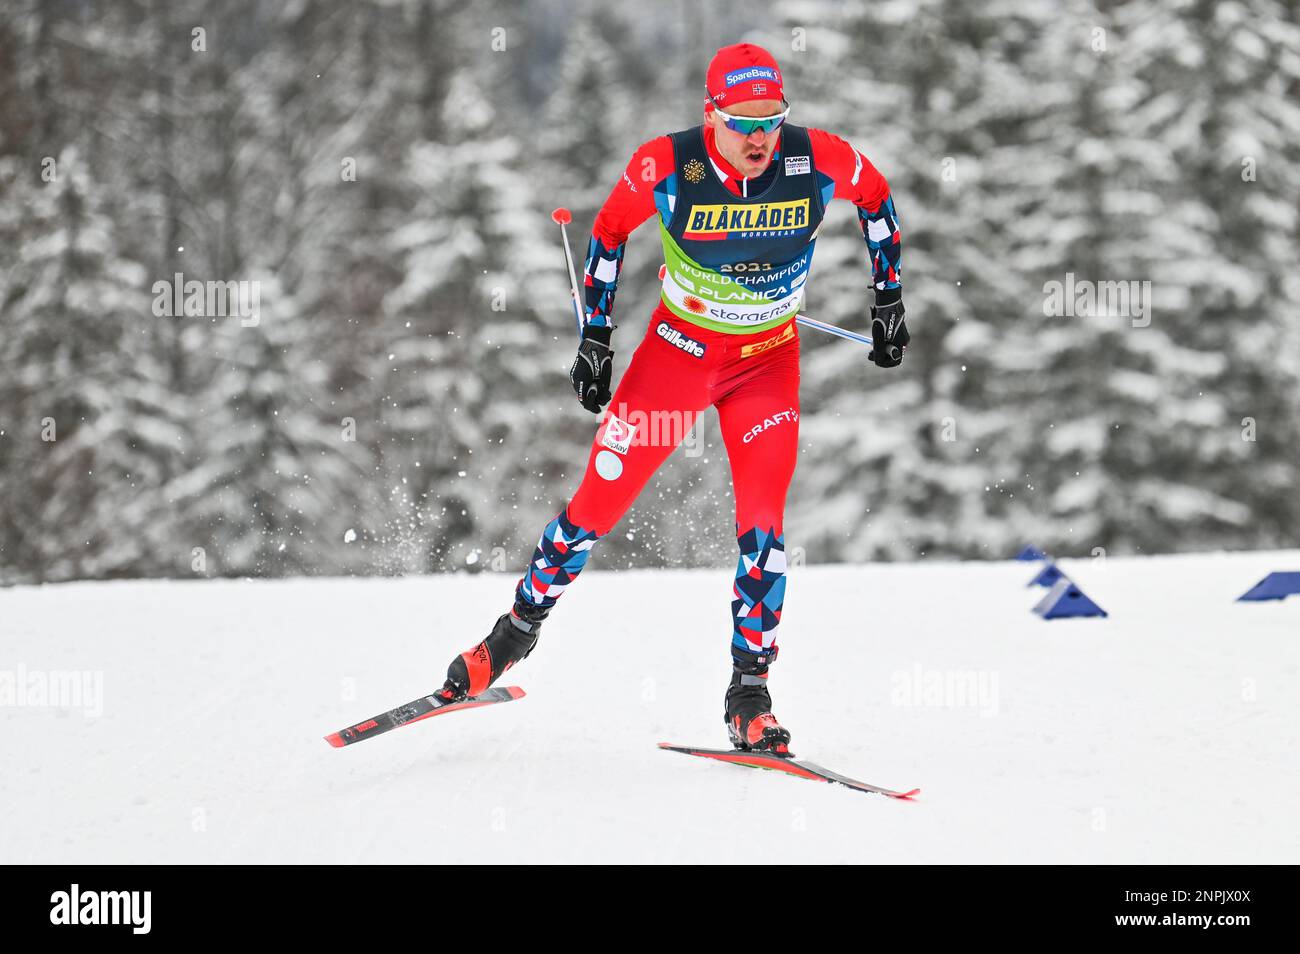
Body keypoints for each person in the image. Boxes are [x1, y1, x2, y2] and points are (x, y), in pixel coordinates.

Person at [437, 42, 906, 755]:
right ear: (710, 114)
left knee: (764, 531)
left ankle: (749, 693)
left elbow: (877, 199)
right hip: (678, 358)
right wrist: (596, 339)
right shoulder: (667, 165)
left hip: (765, 366)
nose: (758, 137)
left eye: (771, 120)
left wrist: (888, 298)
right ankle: (512, 636)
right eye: (742, 121)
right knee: (594, 506)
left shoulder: (818, 160)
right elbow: (608, 232)